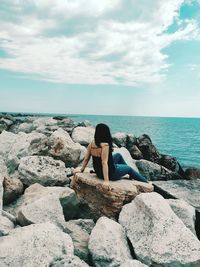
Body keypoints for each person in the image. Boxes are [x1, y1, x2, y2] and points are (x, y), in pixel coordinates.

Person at [73, 123, 149, 190]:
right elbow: (104, 163)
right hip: (110, 174)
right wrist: (106, 181)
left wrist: (82, 169)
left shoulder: (91, 143)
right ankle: (146, 182)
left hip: (98, 172)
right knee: (129, 168)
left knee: (118, 155)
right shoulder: (105, 145)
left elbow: (86, 158)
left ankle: (127, 173)